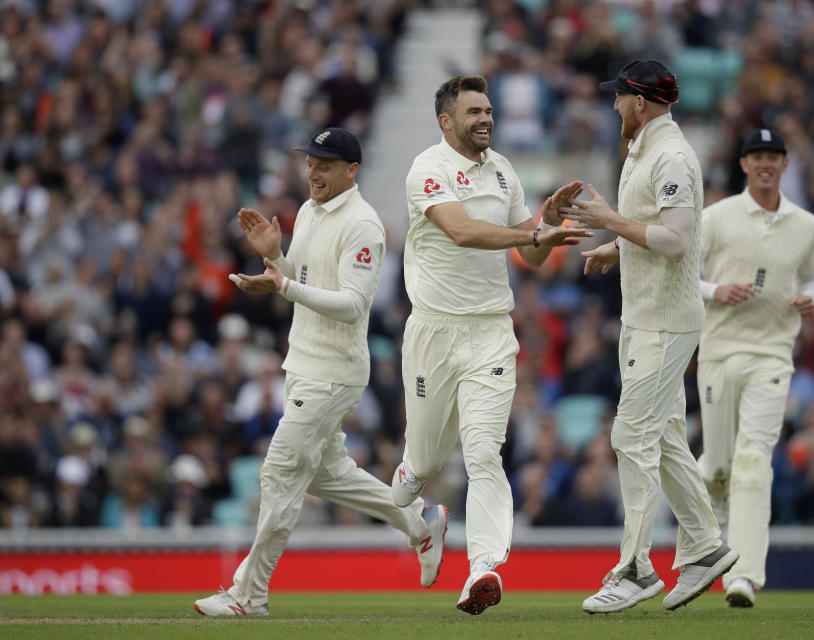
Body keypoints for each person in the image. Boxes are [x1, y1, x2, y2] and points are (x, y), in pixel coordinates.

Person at [193, 127, 448, 617]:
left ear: (351, 170)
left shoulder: (364, 225)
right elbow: (305, 282)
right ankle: (420, 521)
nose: (313, 171)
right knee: (330, 474)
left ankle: (249, 594)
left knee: (281, 473)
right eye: (311, 162)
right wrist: (274, 261)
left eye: (325, 164)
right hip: (303, 365)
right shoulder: (309, 211)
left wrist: (284, 285)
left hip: (333, 373)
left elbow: (352, 306)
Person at [391, 75, 592, 615]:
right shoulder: (427, 169)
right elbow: (462, 231)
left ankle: (482, 570)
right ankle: (422, 521)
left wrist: (546, 221)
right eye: (473, 112)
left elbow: (529, 257)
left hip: (490, 335)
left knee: (484, 454)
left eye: (488, 110)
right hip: (434, 333)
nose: (485, 119)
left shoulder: (503, 170)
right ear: (446, 122)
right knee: (419, 469)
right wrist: (532, 234)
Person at [557, 59, 738, 614]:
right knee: (660, 439)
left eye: (619, 98)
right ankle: (706, 549)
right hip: (644, 316)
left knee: (628, 437)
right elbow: (653, 230)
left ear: (640, 101)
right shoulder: (645, 150)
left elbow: (678, 240)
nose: (613, 106)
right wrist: (617, 247)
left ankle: (636, 569)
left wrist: (612, 224)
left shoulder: (672, 157)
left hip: (664, 321)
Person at [696, 128, 814, 607]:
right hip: (720, 352)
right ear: (745, 165)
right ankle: (701, 506)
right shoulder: (716, 218)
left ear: (785, 165)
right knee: (720, 471)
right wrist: (716, 291)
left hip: (772, 355)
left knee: (753, 464)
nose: (766, 164)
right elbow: (685, 275)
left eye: (774, 156)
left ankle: (743, 575)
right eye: (757, 157)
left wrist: (811, 297)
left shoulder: (806, 226)